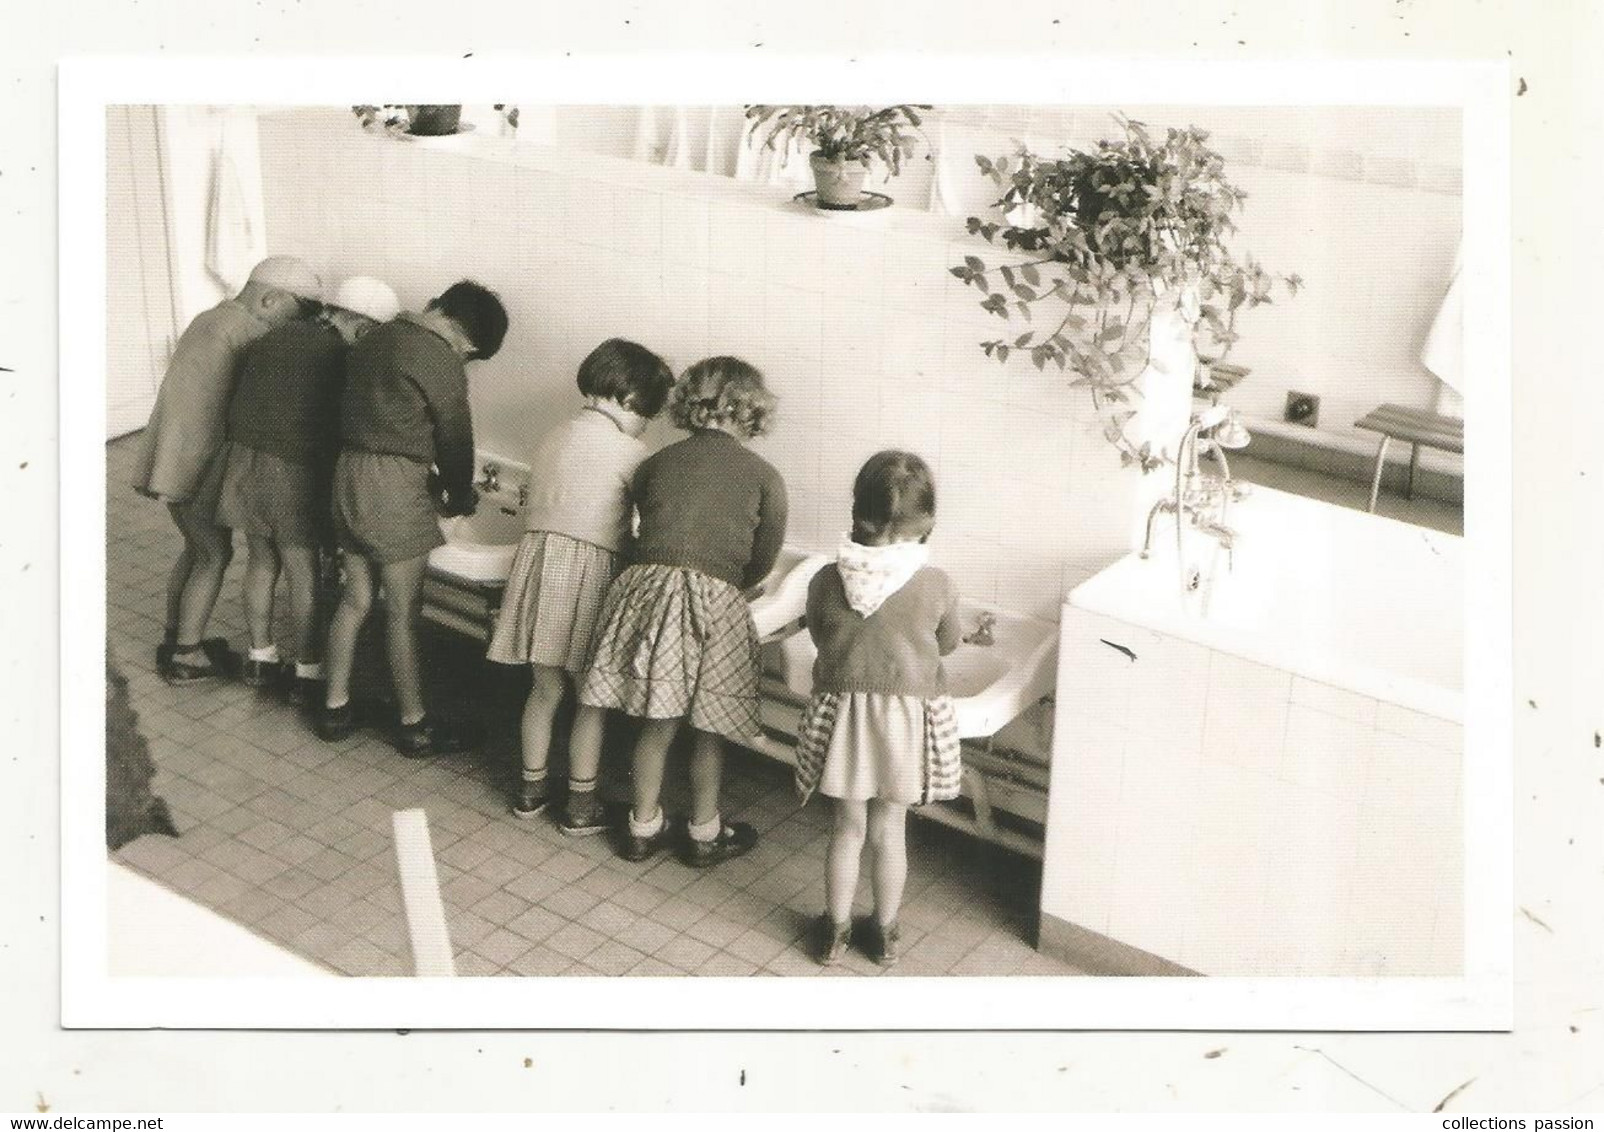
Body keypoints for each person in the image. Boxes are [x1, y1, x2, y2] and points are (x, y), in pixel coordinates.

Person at [575, 356, 787, 867]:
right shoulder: (764, 476)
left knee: (657, 722)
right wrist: (728, 584)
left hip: (648, 591)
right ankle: (704, 833)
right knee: (709, 728)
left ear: (690, 403)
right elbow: (764, 555)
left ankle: (641, 829)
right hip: (716, 598)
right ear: (750, 410)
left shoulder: (656, 463)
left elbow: (646, 526)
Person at [485, 338, 676, 832]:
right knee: (591, 694)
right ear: (632, 399)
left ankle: (530, 791)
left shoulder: (554, 435)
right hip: (591, 572)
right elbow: (637, 527)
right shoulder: (631, 453)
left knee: (544, 688)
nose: (645, 426)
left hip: (538, 565)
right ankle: (581, 804)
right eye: (647, 415)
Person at [316, 280, 509, 756]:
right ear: (467, 342)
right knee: (404, 611)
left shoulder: (375, 337)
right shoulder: (440, 357)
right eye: (470, 358)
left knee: (356, 599)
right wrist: (460, 496)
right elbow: (456, 440)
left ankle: (335, 709)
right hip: (393, 482)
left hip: (348, 471)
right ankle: (415, 726)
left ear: (435, 306)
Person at [793, 450, 964, 967]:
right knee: (891, 832)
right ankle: (884, 932)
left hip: (843, 720)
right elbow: (949, 643)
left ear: (859, 509)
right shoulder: (936, 584)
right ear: (927, 520)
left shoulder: (827, 578)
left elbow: (822, 640)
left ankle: (834, 930)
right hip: (905, 726)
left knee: (847, 830)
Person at [133, 256, 324, 684]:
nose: (286, 330)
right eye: (291, 317)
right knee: (214, 555)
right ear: (271, 299)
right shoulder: (250, 333)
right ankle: (187, 655)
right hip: (200, 465)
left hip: (169, 458)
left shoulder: (211, 318)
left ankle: (177, 636)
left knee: (195, 549)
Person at [213, 276, 402, 705]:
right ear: (362, 324)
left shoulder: (275, 336)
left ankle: (261, 657)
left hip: (243, 460)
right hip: (291, 470)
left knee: (260, 560)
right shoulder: (340, 357)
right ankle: (308, 671)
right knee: (303, 572)